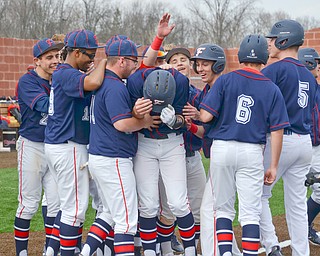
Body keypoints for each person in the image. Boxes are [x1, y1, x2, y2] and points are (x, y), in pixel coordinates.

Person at [199, 34, 289, 256]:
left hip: (222, 148)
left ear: (240, 56)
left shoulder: (225, 80)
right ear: (264, 58)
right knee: (250, 213)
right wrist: (274, 166)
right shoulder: (271, 88)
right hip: (251, 150)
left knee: (222, 210)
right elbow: (277, 132)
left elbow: (205, 117)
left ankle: (226, 253)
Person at [79, 36, 159, 256]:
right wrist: (144, 122)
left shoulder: (102, 80)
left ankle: (85, 253)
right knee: (126, 222)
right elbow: (122, 124)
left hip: (99, 157)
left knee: (107, 213)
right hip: (113, 159)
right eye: (133, 60)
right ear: (122, 61)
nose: (135, 65)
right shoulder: (114, 86)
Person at [44, 29, 107, 256]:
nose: (92, 59)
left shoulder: (66, 72)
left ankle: (50, 252)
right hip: (68, 145)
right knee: (75, 210)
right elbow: (93, 82)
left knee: (67, 206)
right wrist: (105, 63)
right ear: (77, 52)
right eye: (90, 55)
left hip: (59, 145)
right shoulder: (66, 72)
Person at [259, 20, 318, 256]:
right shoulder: (309, 74)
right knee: (296, 204)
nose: (269, 43)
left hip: (280, 141)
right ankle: (301, 252)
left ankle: (272, 245)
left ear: (284, 40)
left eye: (272, 39)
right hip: (304, 142)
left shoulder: (274, 69)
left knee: (259, 195)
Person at [127, 67, 196, 256]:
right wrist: (137, 113)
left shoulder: (180, 82)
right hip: (144, 142)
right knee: (148, 205)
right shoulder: (135, 81)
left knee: (178, 203)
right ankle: (149, 252)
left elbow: (184, 119)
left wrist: (175, 120)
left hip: (172, 142)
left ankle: (191, 252)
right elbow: (129, 115)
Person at [14, 38, 63, 256]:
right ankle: (21, 253)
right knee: (29, 204)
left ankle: (49, 250)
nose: (56, 61)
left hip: (54, 146)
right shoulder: (28, 81)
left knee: (55, 202)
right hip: (32, 145)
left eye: (58, 56)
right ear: (37, 61)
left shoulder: (58, 79)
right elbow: (44, 105)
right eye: (50, 57)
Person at [298, 47, 320, 246]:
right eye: (315, 62)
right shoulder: (297, 87)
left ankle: (304, 226)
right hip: (300, 144)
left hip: (316, 147)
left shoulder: (318, 88)